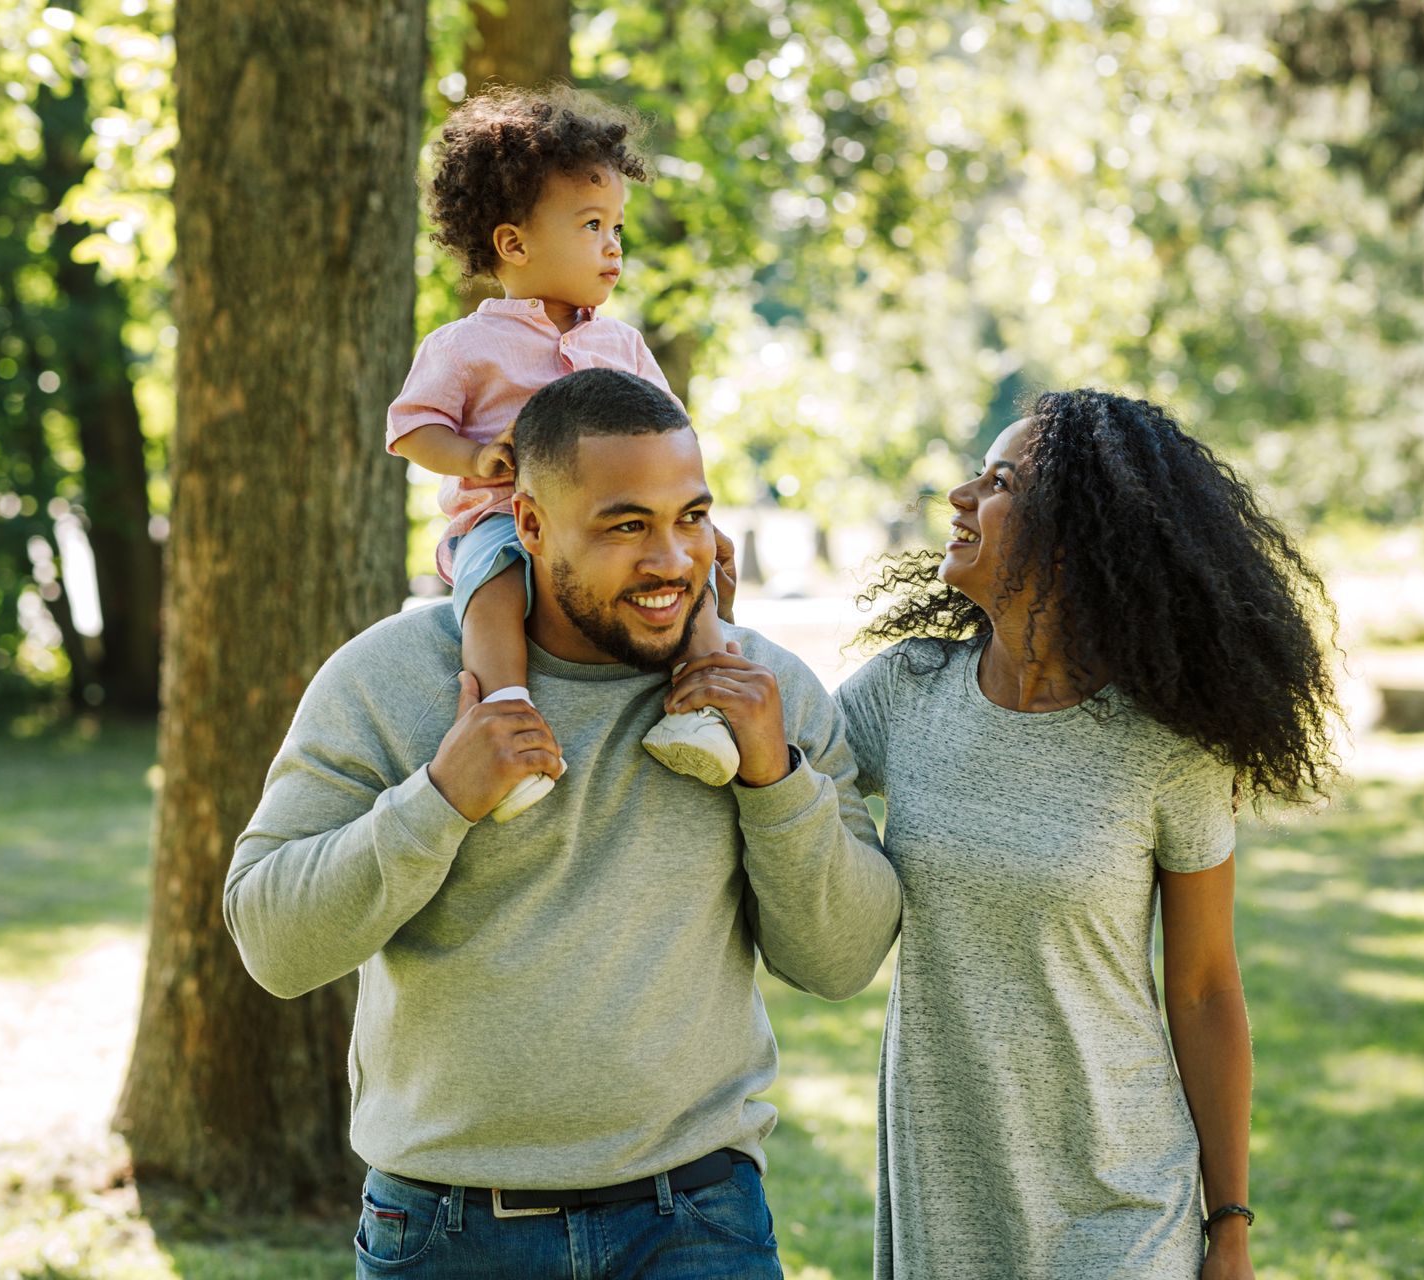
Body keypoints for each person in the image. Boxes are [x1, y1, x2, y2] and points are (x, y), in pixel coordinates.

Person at [227, 368, 901, 1279]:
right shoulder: (390, 678)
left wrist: (774, 778)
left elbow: (842, 959)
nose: (672, 559)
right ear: (531, 526)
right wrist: (440, 798)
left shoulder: (762, 694)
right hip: (446, 1233)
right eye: (628, 525)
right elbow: (273, 941)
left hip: (697, 1224)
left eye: (691, 517)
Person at [834, 390, 1341, 1279]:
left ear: (1075, 532)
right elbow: (778, 768)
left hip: (1123, 1204)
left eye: (998, 481)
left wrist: (1229, 1227)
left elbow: (1206, 990)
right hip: (948, 1197)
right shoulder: (904, 693)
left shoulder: (1168, 747)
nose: (959, 495)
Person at [387, 85, 736, 824]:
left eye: (617, 227)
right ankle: (506, 721)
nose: (613, 246)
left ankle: (704, 698)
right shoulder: (467, 345)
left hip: (624, 521)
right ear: (515, 244)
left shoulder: (620, 343)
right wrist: (477, 457)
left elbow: (669, 427)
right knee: (494, 586)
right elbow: (413, 428)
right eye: (591, 225)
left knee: (694, 564)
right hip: (506, 519)